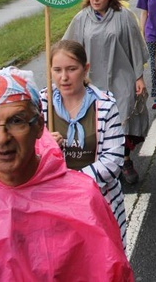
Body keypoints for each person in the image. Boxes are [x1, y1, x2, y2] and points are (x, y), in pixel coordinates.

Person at [0, 67, 133, 281]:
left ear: (39, 126)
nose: (2, 138)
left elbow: (111, 273)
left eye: (16, 121)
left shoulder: (83, 198)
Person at [40, 40, 129, 247]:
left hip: (98, 201)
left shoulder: (105, 105)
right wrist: (44, 146)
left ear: (85, 68)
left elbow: (113, 161)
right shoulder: (40, 105)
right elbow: (27, 155)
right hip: (54, 207)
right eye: (57, 70)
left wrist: (73, 184)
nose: (64, 77)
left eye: (71, 69)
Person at [63, 0, 148, 184]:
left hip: (122, 77)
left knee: (122, 119)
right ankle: (103, 163)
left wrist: (138, 76)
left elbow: (135, 46)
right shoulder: (81, 19)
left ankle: (125, 160)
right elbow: (69, 48)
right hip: (92, 82)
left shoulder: (124, 16)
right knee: (96, 123)